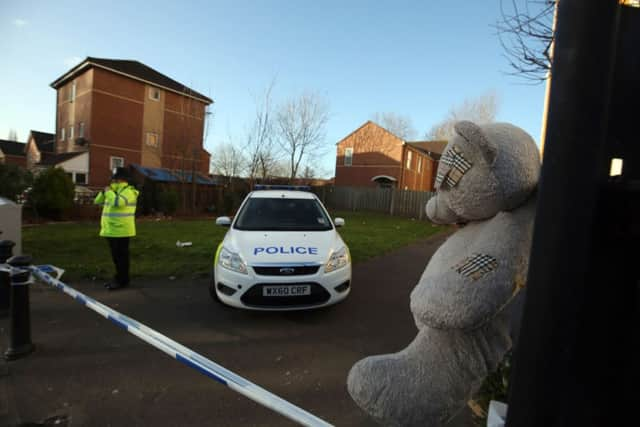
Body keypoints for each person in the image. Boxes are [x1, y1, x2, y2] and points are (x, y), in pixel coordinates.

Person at [94, 167, 139, 290]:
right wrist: (104, 192)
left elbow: (118, 203)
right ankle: (118, 278)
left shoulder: (129, 191)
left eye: (115, 179)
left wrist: (108, 192)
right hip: (110, 230)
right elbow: (97, 201)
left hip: (122, 230)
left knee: (121, 258)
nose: (113, 181)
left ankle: (123, 281)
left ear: (122, 180)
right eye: (113, 179)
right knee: (116, 258)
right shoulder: (112, 191)